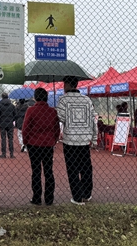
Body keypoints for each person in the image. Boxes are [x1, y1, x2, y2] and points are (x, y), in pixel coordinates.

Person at [56, 76, 98, 206]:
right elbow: (93, 120)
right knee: (86, 167)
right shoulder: (87, 100)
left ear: (68, 85)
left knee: (72, 168)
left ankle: (77, 197)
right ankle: (87, 193)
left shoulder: (63, 100)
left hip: (70, 140)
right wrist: (94, 138)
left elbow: (60, 117)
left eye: (64, 84)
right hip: (84, 139)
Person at [22, 88, 60, 206]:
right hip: (48, 144)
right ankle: (49, 198)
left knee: (36, 171)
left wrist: (26, 141)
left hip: (34, 144)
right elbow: (56, 128)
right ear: (46, 97)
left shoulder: (31, 110)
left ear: (35, 97)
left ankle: (36, 197)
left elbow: (26, 127)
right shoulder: (52, 111)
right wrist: (54, 140)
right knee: (48, 171)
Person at [0, 92, 16, 158]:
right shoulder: (12, 106)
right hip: (10, 123)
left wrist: (0, 121)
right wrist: (12, 120)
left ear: (2, 97)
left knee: (3, 138)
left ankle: (3, 153)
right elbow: (15, 114)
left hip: (2, 123)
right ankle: (11, 153)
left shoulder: (0, 105)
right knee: (10, 139)